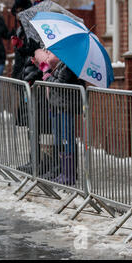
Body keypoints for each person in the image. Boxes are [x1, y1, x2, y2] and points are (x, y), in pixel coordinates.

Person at [40, 49, 85, 185]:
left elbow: (61, 84)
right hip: (58, 105)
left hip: (66, 106)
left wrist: (48, 76)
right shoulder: (63, 63)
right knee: (60, 139)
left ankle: (69, 174)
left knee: (67, 139)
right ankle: (62, 171)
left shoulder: (70, 63)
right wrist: (47, 69)